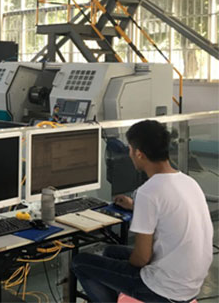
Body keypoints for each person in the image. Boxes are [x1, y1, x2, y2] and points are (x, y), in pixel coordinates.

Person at [72, 119, 213, 303]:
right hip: (191, 283)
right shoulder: (187, 182)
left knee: (80, 262)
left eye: (130, 149)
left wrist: (125, 271)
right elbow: (169, 210)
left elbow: (141, 259)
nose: (129, 153)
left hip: (164, 290)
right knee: (111, 252)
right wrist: (136, 206)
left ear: (139, 154)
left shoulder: (148, 192)